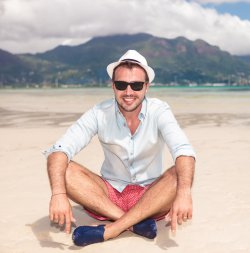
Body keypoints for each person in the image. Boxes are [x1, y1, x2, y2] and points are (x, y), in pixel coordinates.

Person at [44, 49, 196, 246]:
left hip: (151, 197)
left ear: (147, 87)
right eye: (121, 84)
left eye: (137, 85)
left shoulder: (160, 111)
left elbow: (183, 150)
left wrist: (184, 193)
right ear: (113, 86)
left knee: (180, 173)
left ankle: (112, 229)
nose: (129, 92)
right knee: (63, 168)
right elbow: (59, 149)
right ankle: (134, 224)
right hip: (108, 196)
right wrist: (58, 194)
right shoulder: (99, 112)